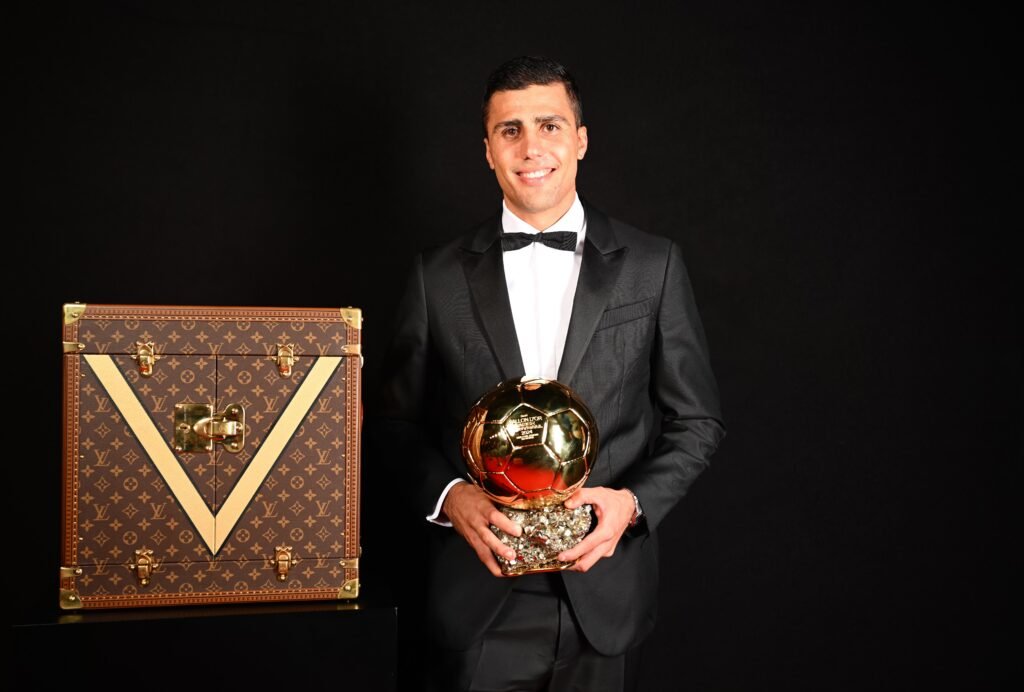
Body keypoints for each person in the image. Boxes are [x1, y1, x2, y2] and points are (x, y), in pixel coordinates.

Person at [375, 56, 725, 691]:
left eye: (550, 125)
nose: (531, 147)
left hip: (605, 593)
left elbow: (697, 421)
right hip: (477, 599)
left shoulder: (654, 266)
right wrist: (450, 497)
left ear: (581, 139)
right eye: (509, 130)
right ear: (487, 150)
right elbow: (393, 423)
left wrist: (632, 505)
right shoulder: (436, 276)